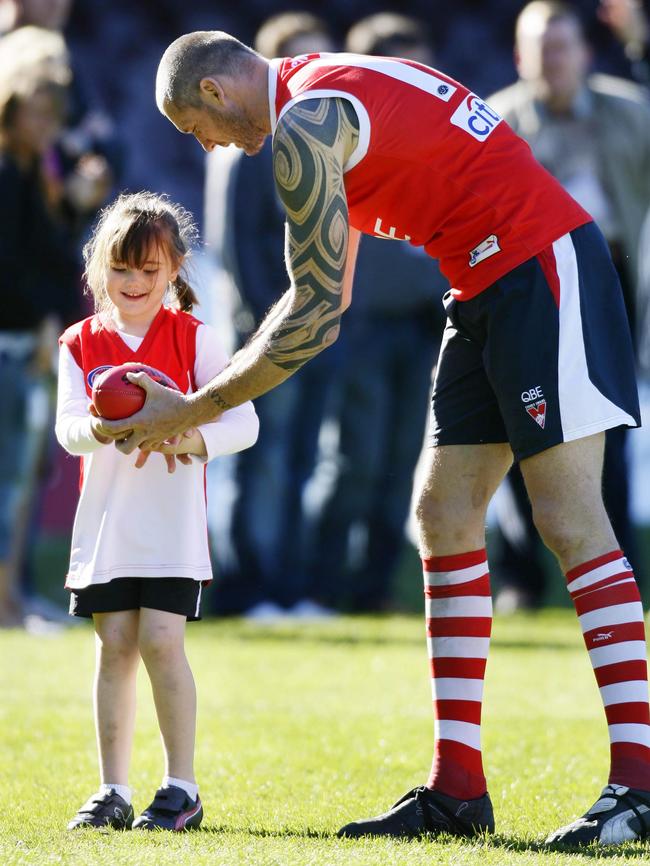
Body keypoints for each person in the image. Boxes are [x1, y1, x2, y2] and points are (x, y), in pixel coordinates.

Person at [96, 31, 648, 847]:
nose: (207, 146)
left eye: (194, 130)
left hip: (539, 262)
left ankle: (638, 785)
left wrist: (189, 409)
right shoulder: (322, 97)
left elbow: (312, 316)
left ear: (214, 95)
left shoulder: (304, 126)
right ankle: (458, 787)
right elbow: (320, 298)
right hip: (488, 277)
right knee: (443, 513)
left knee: (571, 521)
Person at [56, 191, 259, 831]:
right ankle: (111, 789)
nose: (135, 283)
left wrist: (188, 438)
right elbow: (68, 431)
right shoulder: (79, 342)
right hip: (107, 528)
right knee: (113, 644)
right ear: (100, 269)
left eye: (150, 270)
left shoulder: (195, 339)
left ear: (173, 270)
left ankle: (181, 786)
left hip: (172, 528)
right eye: (122, 269)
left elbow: (244, 423)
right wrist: (101, 427)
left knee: (161, 642)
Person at [488, 0, 650, 611]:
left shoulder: (628, 112)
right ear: (519, 55)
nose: (553, 60)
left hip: (609, 286)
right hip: (526, 295)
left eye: (563, 47)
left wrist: (640, 48)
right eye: (541, 47)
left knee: (611, 429)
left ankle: (618, 577)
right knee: (514, 434)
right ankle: (521, 580)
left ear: (584, 52)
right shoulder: (497, 122)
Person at [304, 13, 448, 612]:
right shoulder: (346, 136)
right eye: (405, 69)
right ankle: (322, 586)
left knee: (398, 465)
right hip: (361, 323)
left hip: (422, 325)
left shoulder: (438, 138)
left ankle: (371, 591)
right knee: (355, 460)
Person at [204, 11, 338, 617]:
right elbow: (237, 248)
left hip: (309, 330)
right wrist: (279, 325)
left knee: (302, 458)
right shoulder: (245, 149)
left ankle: (287, 586)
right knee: (265, 460)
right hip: (268, 331)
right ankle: (248, 585)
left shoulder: (323, 135)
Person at [0, 50, 80, 627]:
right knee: (8, 480)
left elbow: (51, 259)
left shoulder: (37, 173)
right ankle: (6, 605)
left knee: (20, 479)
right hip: (13, 344)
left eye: (53, 118)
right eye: (34, 114)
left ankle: (13, 598)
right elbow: (11, 265)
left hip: (28, 339)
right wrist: (41, 319)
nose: (43, 128)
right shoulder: (8, 174)